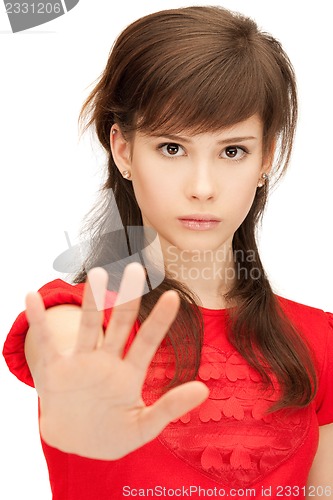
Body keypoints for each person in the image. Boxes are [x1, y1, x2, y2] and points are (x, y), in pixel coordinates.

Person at [3, 5, 333, 499]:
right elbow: (65, 351)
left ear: (266, 158)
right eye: (172, 148)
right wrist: (75, 396)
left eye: (232, 151)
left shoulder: (318, 342)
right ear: (123, 150)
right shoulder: (80, 314)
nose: (202, 188)